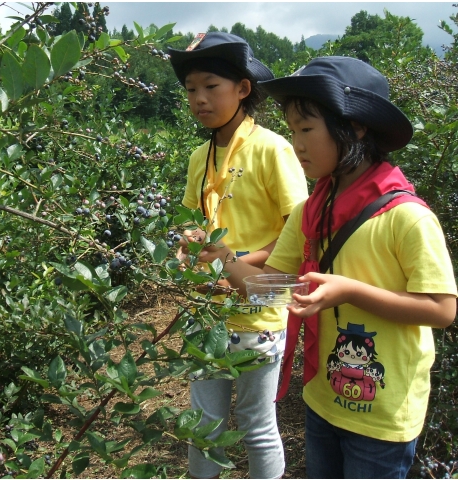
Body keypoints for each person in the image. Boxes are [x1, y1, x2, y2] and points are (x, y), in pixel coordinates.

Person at [182, 56, 457, 478]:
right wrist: (225, 257)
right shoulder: (311, 211)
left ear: (356, 127)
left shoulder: (405, 217)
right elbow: (268, 288)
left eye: (307, 130)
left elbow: (441, 309)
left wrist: (350, 291)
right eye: (292, 131)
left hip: (382, 414)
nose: (297, 144)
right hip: (323, 399)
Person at [167, 32, 308, 479]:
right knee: (204, 426)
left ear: (243, 89)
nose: (199, 99)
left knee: (256, 423)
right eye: (191, 89)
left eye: (211, 86)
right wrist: (185, 245)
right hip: (207, 305)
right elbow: (194, 222)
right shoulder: (199, 157)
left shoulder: (272, 148)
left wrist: (239, 259)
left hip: (261, 303)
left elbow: (299, 227)